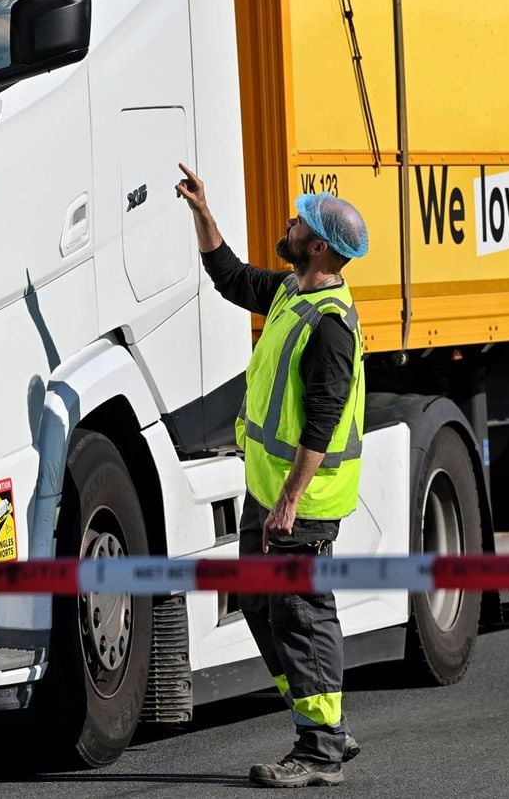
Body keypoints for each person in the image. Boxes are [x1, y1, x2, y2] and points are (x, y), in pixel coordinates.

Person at [175, 163, 368, 788]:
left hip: (301, 499)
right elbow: (230, 278)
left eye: (297, 222)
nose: (286, 225)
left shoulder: (331, 324)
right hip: (271, 490)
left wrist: (289, 500)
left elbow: (323, 420)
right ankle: (323, 728)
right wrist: (203, 212)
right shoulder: (292, 291)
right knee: (261, 602)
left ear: (318, 245)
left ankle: (318, 751)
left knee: (301, 612)